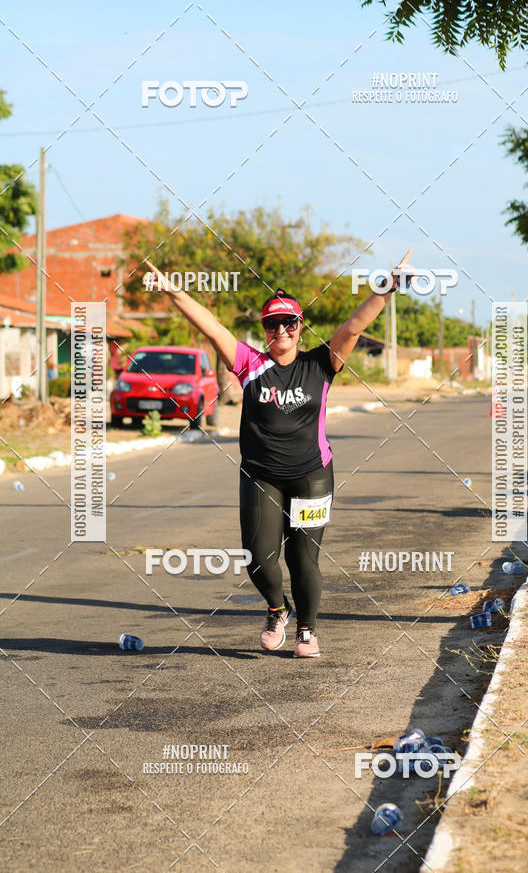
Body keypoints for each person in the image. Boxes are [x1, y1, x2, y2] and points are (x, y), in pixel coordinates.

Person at [143, 254, 412, 657]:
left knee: (303, 558)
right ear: (264, 329)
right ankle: (276, 609)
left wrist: (387, 287)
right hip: (260, 476)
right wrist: (173, 291)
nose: (282, 330)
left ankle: (307, 630)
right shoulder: (249, 364)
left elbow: (354, 325)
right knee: (258, 557)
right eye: (273, 324)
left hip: (312, 476)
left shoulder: (321, 362)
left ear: (300, 327)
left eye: (290, 323)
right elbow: (209, 325)